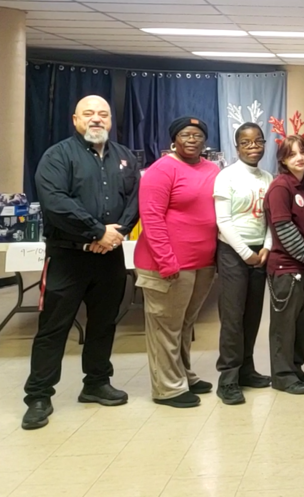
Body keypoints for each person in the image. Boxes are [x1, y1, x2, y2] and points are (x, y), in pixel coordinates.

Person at [22, 95, 139, 430]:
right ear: (75, 119)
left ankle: (96, 383)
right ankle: (39, 396)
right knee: (53, 328)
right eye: (89, 113)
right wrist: (97, 231)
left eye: (103, 114)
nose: (96, 119)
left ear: (111, 121)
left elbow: (135, 200)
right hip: (68, 257)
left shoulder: (125, 158)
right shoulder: (57, 156)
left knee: (104, 323)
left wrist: (115, 235)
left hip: (110, 258)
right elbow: (55, 201)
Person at [134, 117, 219, 408]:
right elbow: (151, 217)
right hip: (167, 264)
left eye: (198, 135)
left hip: (203, 264)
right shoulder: (162, 170)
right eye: (186, 134)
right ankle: (168, 388)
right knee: (165, 326)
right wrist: (166, 261)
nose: (192, 139)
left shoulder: (212, 169)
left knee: (184, 323)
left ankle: (183, 373)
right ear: (174, 139)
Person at [214, 122, 273, 405]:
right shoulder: (226, 176)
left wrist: (267, 248)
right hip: (232, 254)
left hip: (259, 254)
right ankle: (228, 378)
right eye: (246, 143)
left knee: (252, 315)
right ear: (237, 146)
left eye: (258, 141)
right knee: (232, 318)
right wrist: (244, 253)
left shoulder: (268, 178)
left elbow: (272, 219)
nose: (253, 147)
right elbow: (223, 221)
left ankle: (247, 370)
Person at [264, 135, 304, 395]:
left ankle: (296, 367)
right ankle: (282, 375)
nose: (299, 158)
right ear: (283, 160)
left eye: (303, 152)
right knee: (284, 326)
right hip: (287, 269)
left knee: (303, 324)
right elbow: (283, 227)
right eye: (291, 154)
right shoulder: (281, 187)